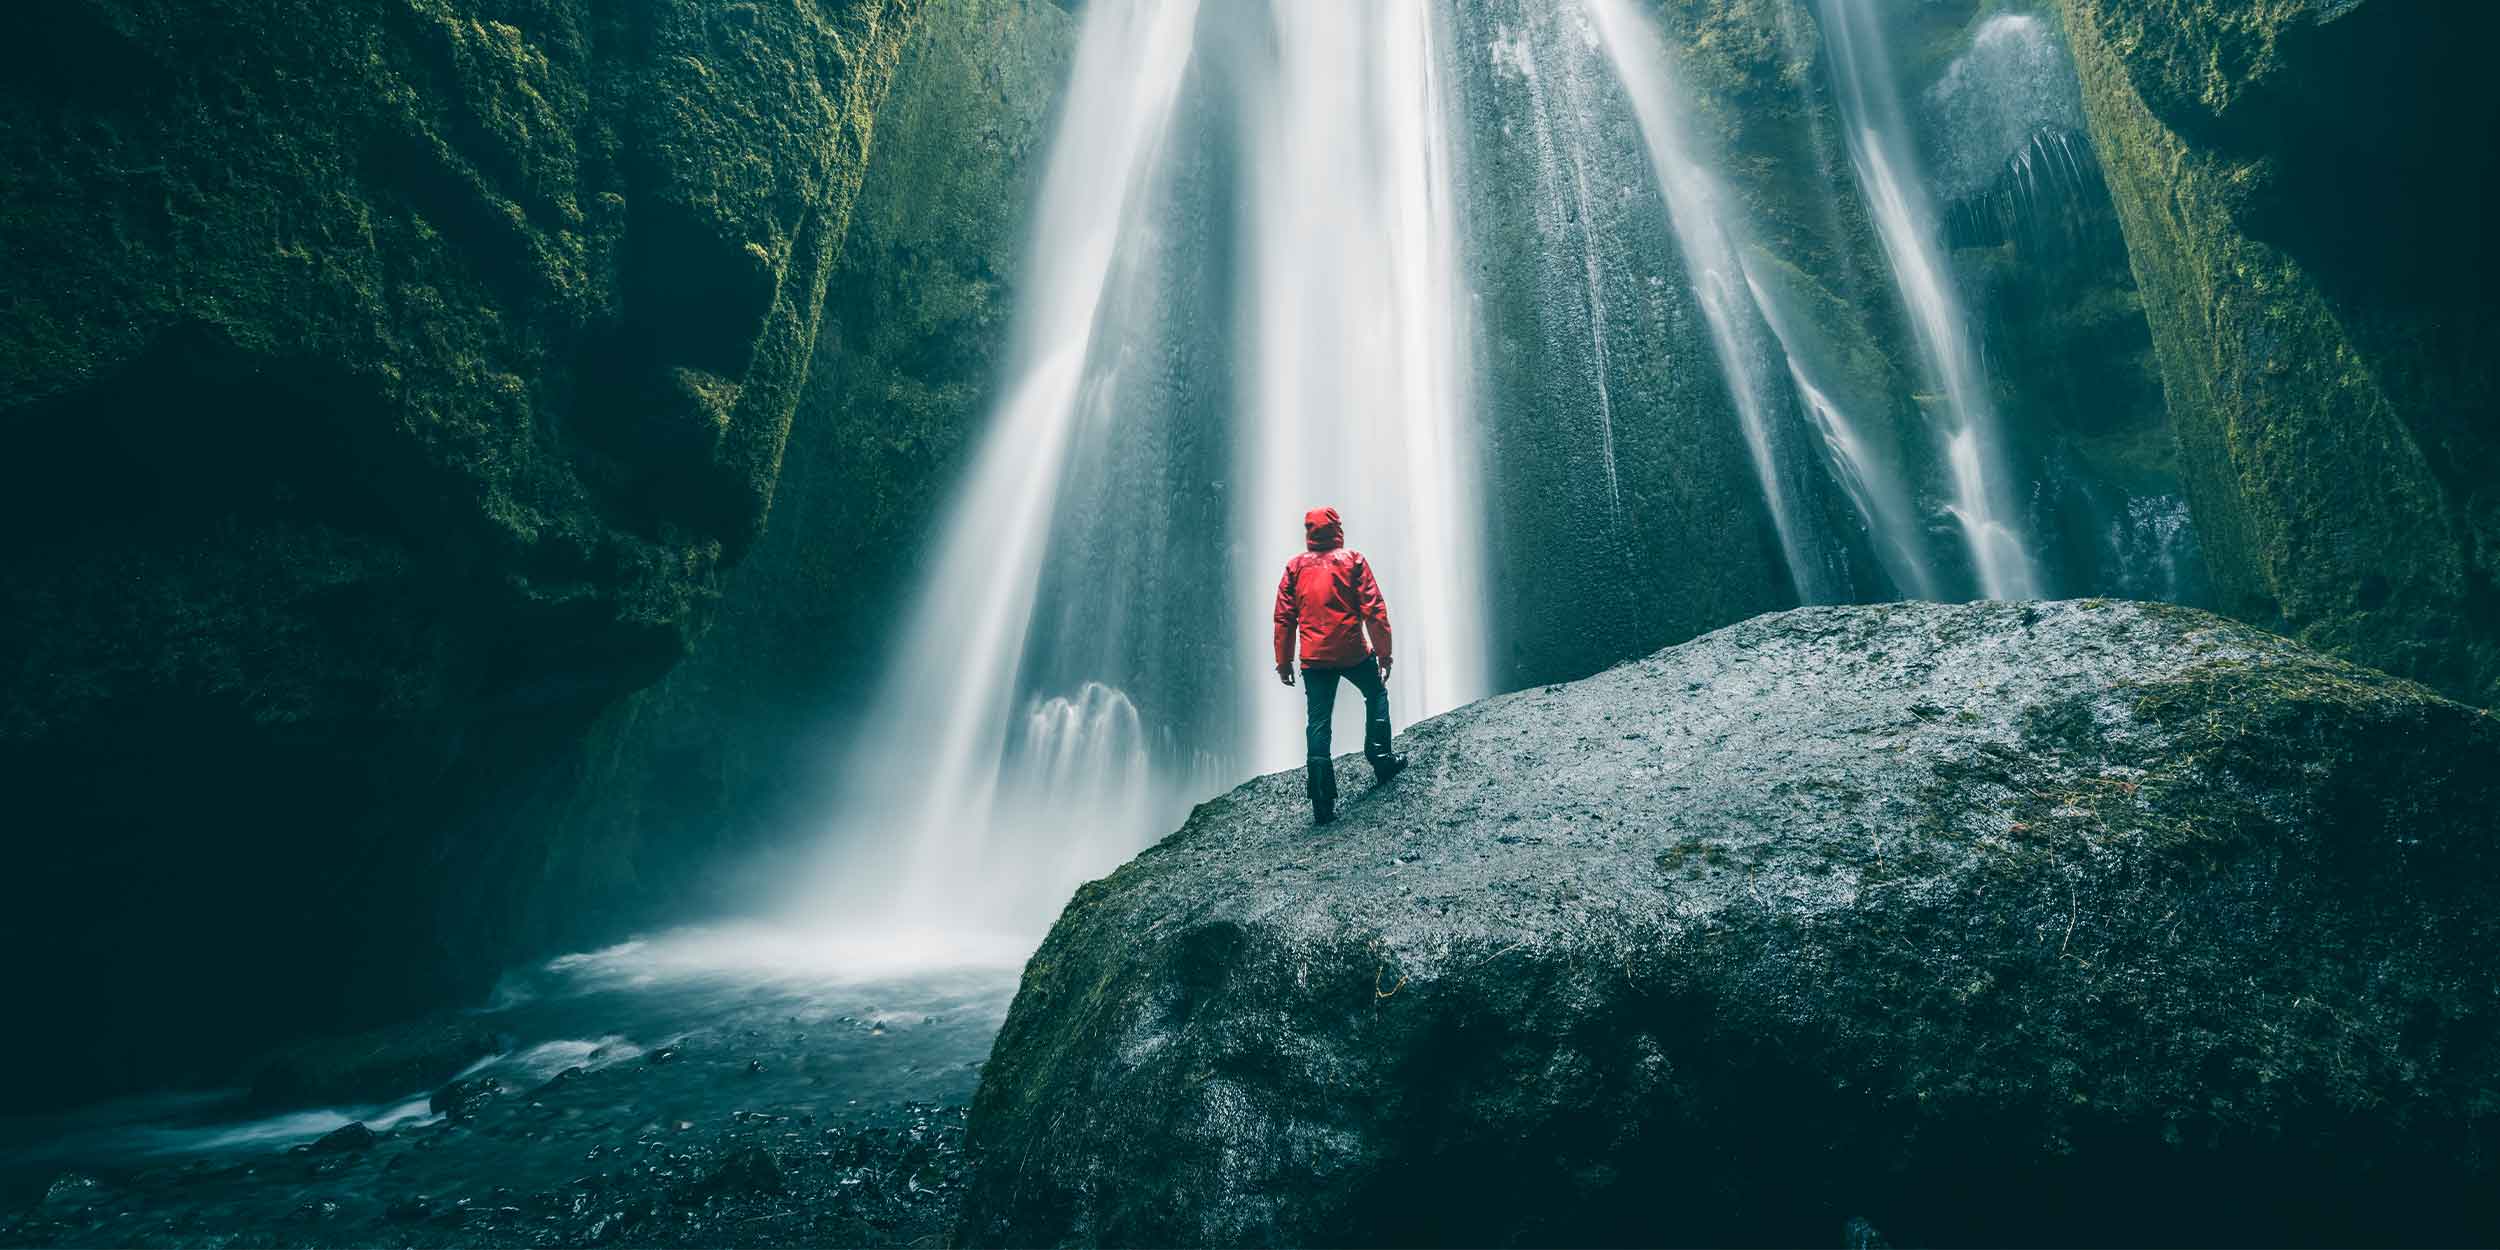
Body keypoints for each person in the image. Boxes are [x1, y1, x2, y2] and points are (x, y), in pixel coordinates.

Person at [1273, 506, 1407, 825]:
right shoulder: (1353, 560)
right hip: (1352, 651)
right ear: (1337, 530)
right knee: (1375, 692)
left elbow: (1284, 619)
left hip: (1314, 658)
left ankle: (1322, 800)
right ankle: (1381, 757)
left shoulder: (1295, 568)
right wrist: (1384, 654)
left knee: (1318, 722)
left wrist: (1283, 661)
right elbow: (1374, 609)